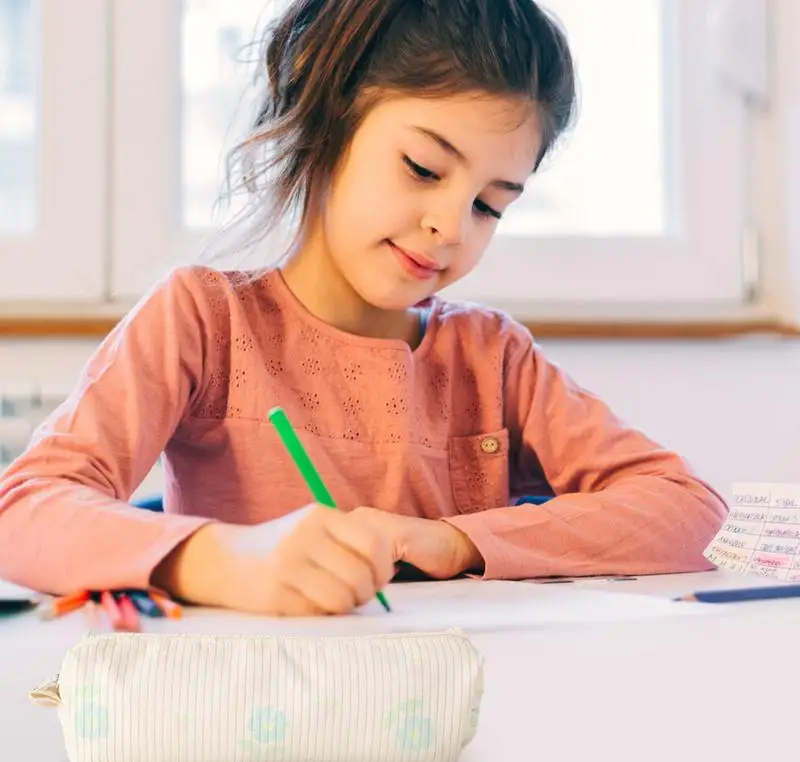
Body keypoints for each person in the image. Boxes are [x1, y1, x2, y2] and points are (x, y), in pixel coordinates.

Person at [0, 0, 726, 616]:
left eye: (488, 205)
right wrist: (225, 559)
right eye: (422, 168)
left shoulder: (491, 356)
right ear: (328, 121)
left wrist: (453, 541)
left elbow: (690, 512)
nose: (451, 225)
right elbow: (22, 510)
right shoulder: (203, 320)